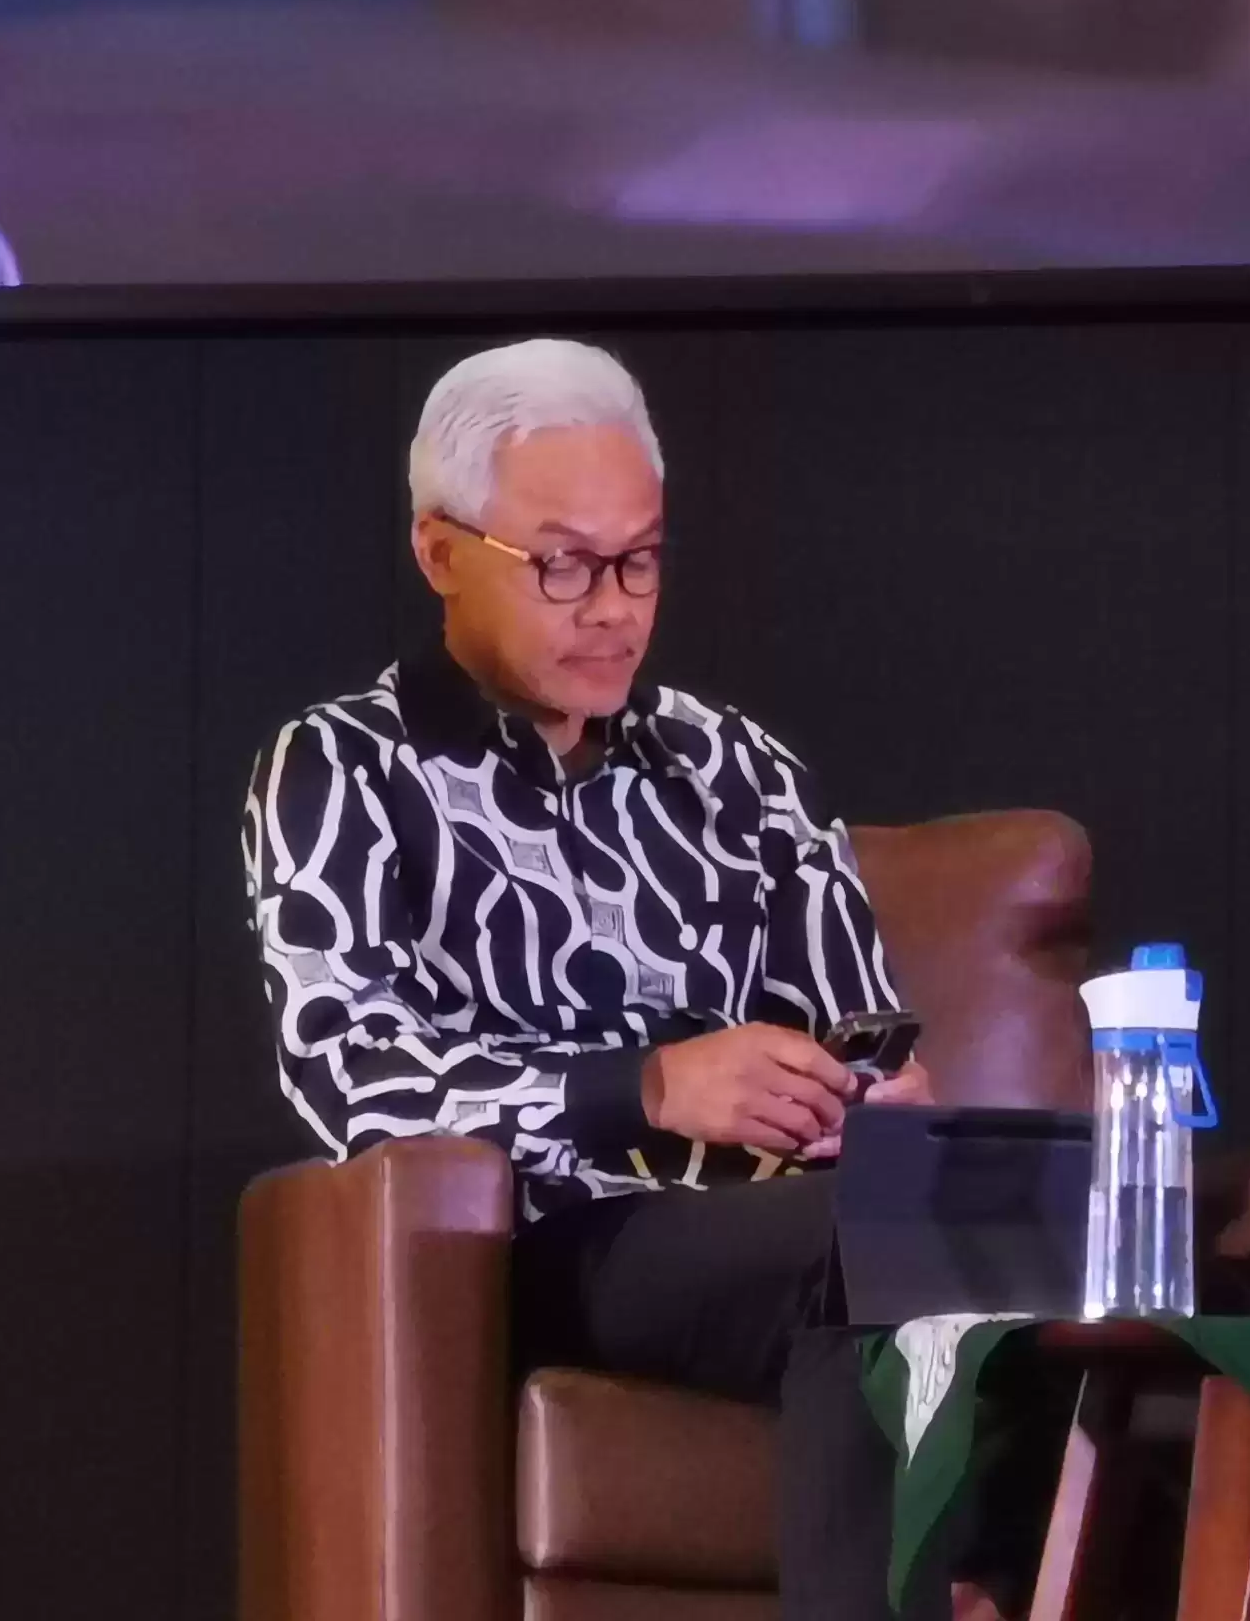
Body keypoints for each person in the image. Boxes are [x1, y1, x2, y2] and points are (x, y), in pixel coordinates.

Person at [241, 339, 933, 1620]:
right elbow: (350, 1073)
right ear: (442, 551)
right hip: (541, 1237)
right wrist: (645, 1087)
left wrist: (886, 1103)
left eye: (640, 560)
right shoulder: (347, 767)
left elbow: (865, 1027)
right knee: (875, 1240)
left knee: (1053, 1220)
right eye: (562, 564)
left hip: (777, 1223)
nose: (612, 607)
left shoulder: (736, 766)